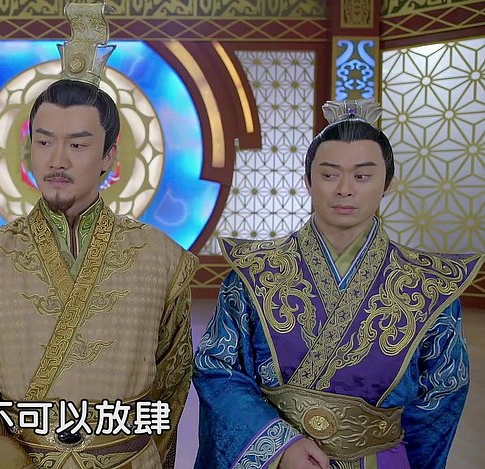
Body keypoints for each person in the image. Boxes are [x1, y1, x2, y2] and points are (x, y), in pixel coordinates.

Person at [0, 3, 196, 468]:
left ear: (109, 155)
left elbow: (171, 387)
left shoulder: (161, 259)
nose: (58, 159)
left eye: (78, 144)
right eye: (45, 141)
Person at [192, 99, 484, 469]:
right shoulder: (254, 273)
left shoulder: (428, 285)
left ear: (387, 183)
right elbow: (217, 366)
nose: (345, 189)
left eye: (362, 176)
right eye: (330, 175)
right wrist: (279, 445)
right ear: (308, 181)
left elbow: (442, 394)